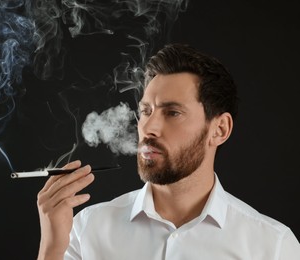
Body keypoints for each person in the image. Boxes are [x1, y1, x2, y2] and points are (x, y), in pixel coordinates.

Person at [36, 43, 300, 259]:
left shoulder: (272, 246)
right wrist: (51, 246)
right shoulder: (87, 229)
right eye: (146, 111)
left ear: (219, 129)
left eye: (173, 112)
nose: (149, 127)